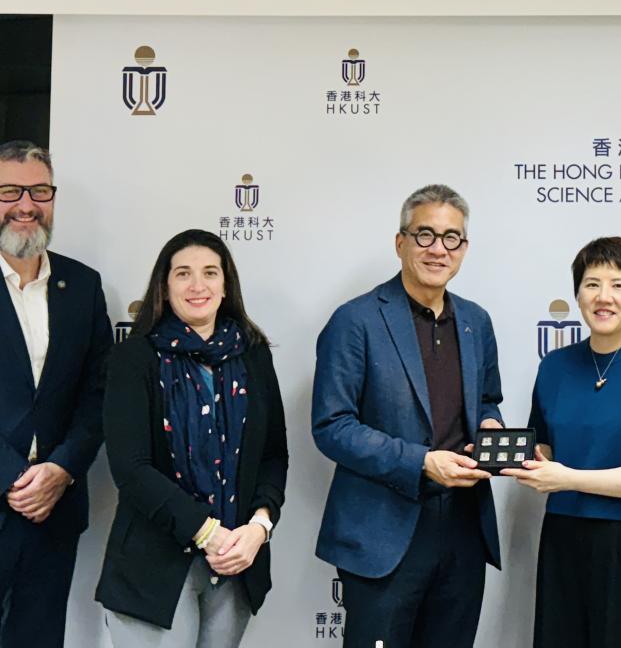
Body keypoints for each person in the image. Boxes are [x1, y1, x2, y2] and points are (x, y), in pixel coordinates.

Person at [312, 184, 504, 648]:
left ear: (464, 248)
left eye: (451, 238)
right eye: (425, 235)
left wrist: (491, 426)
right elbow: (331, 425)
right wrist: (420, 461)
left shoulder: (476, 321)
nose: (439, 248)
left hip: (463, 527)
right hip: (384, 532)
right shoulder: (355, 320)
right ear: (400, 242)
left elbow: (487, 400)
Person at [96, 229, 288, 648]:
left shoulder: (253, 354)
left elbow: (274, 456)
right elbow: (130, 469)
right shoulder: (135, 357)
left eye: (210, 273)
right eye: (183, 273)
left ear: (226, 285)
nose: (197, 285)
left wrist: (258, 528)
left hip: (237, 563)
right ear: (165, 286)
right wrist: (208, 533)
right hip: (154, 568)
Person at [505, 236, 621, 648]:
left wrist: (568, 478)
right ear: (577, 294)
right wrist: (521, 457)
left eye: (618, 284)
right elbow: (547, 447)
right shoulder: (554, 367)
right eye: (592, 284)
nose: (603, 297)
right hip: (566, 537)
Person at [0, 140, 112, 647]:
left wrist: (62, 469)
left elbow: (98, 395)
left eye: (39, 190)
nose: (26, 205)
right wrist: (15, 478)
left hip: (55, 507)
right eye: (10, 191)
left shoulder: (83, 286)